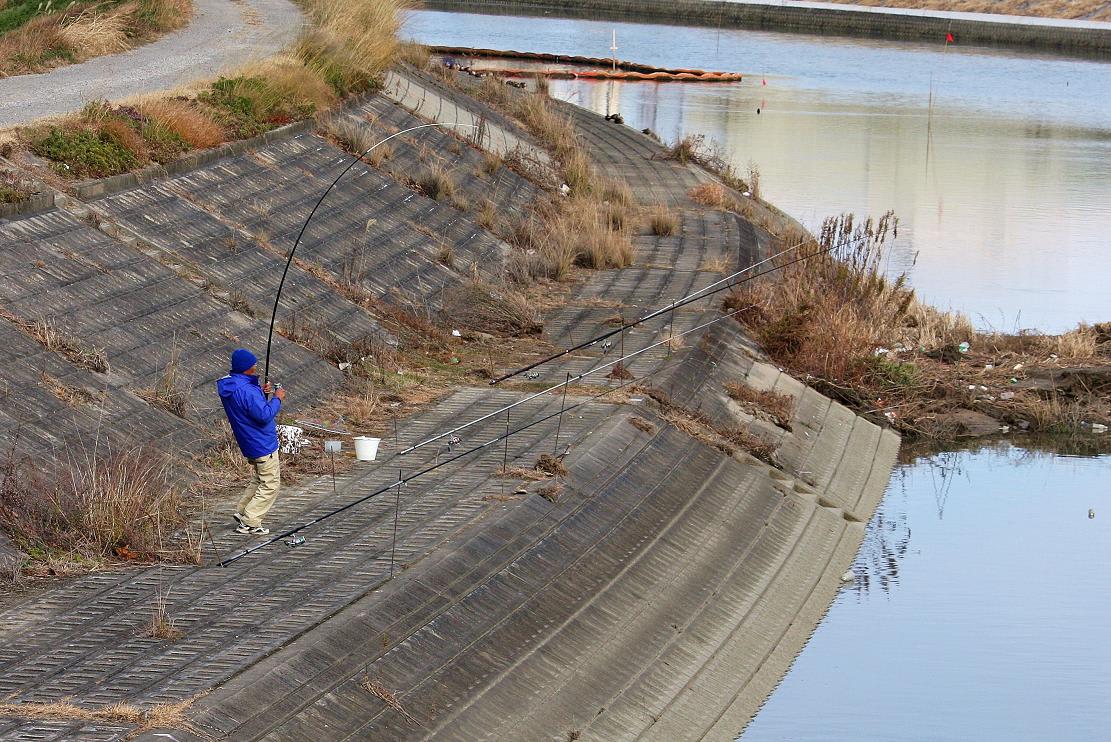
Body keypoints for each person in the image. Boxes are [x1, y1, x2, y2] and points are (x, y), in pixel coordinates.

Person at [217, 349, 286, 535]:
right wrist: (277, 398)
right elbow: (264, 415)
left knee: (259, 478)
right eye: (253, 364)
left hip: (249, 442)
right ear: (246, 367)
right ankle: (250, 521)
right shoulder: (247, 390)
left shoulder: (232, 385)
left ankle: (242, 512)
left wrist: (261, 393)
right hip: (262, 443)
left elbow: (250, 404)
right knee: (271, 484)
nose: (256, 366)